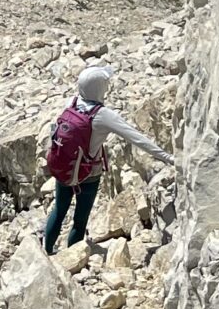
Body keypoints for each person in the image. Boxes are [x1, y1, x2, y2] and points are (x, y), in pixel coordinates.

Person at [40, 64, 171, 253]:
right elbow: (137, 138)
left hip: (64, 166)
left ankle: (48, 251)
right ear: (99, 88)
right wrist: (168, 158)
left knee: (59, 211)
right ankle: (73, 258)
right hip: (88, 174)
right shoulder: (102, 116)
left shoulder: (71, 102)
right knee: (80, 220)